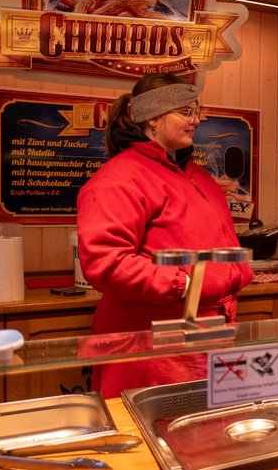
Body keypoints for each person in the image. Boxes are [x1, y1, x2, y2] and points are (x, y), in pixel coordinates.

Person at [77, 73, 253, 398]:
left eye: (197, 111)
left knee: (202, 436)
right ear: (153, 118)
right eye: (186, 112)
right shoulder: (120, 178)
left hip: (207, 334)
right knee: (155, 437)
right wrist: (185, 283)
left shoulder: (196, 175)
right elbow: (106, 263)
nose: (196, 120)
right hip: (153, 344)